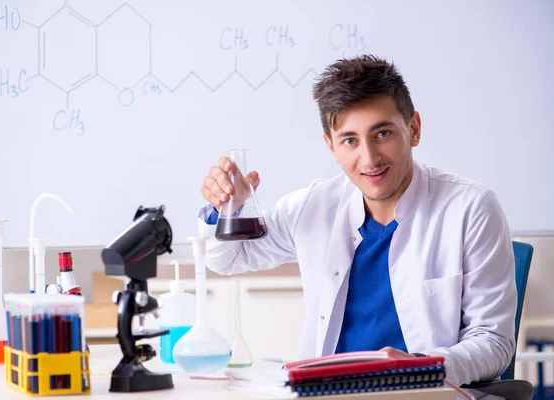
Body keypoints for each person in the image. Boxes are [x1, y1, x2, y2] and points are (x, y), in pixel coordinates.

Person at [197, 55, 516, 386]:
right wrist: (227, 208)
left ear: (414, 129)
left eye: (382, 134)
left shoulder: (470, 208)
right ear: (331, 147)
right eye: (350, 140)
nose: (369, 158)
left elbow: (493, 343)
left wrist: (422, 367)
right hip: (325, 392)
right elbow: (227, 258)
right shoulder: (313, 206)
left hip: (422, 392)